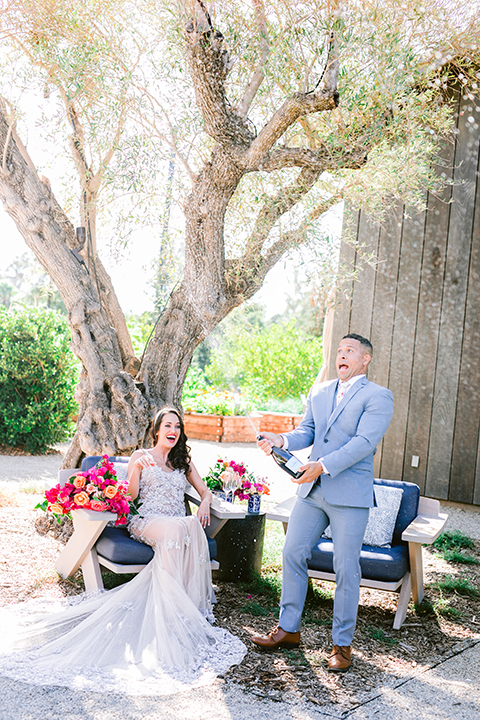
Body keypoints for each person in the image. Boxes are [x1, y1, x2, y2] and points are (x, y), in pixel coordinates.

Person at [0, 407, 246, 696]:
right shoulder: (140, 456)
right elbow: (130, 498)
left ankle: (182, 609)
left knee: (187, 525)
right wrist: (137, 470)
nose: (173, 431)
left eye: (177, 426)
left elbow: (205, 491)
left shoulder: (183, 462)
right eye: (168, 425)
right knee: (180, 528)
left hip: (176, 523)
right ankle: (167, 612)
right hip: (147, 521)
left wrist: (204, 503)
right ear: (157, 430)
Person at [251, 333, 394, 672]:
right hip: (312, 492)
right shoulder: (320, 391)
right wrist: (281, 439)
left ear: (365, 359)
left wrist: (322, 465)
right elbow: (308, 431)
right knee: (291, 553)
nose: (341, 355)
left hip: (349, 495)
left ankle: (342, 645)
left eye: (350, 351)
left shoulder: (378, 396)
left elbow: (363, 443)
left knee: (346, 568)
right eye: (339, 350)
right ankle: (288, 630)